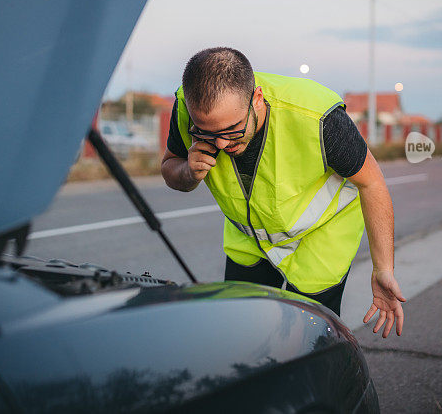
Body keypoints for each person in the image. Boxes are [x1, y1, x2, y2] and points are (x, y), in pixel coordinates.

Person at [161, 47, 405, 338]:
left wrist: (383, 269)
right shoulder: (185, 110)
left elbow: (373, 183)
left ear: (257, 100)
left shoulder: (318, 118)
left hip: (320, 241)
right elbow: (169, 167)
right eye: (207, 133)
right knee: (241, 335)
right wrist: (188, 172)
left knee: (310, 339)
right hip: (250, 241)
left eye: (233, 130)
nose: (222, 145)